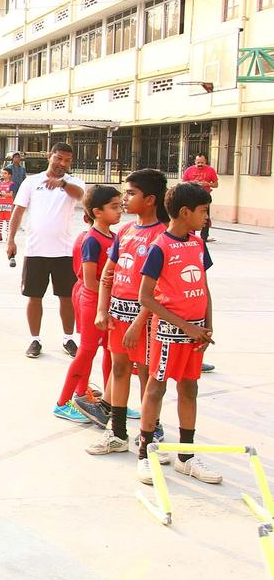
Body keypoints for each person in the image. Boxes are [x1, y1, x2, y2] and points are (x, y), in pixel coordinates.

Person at [135, 182, 220, 486]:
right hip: (169, 333)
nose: (206, 218)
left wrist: (207, 326)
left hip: (196, 334)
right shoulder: (160, 247)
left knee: (190, 390)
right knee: (156, 389)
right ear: (185, 212)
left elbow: (204, 287)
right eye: (203, 211)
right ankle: (145, 453)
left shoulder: (198, 244)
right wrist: (186, 326)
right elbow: (146, 297)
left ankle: (186, 456)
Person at [81, 169, 169, 455]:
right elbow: (108, 273)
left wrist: (139, 321)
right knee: (119, 369)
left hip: (145, 320)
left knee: (146, 374)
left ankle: (150, 432)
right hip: (118, 315)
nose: (125, 199)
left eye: (131, 193)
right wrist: (102, 309)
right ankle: (117, 433)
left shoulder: (163, 236)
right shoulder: (126, 232)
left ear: (151, 199)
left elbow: (158, 290)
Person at [5, 143, 85, 359]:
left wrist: (62, 183)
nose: (62, 164)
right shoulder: (31, 182)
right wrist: (10, 240)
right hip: (35, 251)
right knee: (34, 297)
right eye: (58, 158)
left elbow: (80, 196)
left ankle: (68, 338)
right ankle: (35, 340)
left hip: (65, 253)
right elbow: (18, 211)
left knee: (67, 298)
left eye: (67, 160)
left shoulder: (74, 183)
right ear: (49, 156)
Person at [52, 186, 121, 423]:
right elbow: (90, 281)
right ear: (97, 212)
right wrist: (104, 305)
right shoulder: (92, 239)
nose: (120, 210)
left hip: (105, 301)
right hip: (94, 301)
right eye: (114, 206)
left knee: (111, 352)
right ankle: (63, 402)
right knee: (87, 352)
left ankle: (109, 401)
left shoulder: (113, 237)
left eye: (120, 205)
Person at [182, 153, 219, 242]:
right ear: (195, 161)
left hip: (205, 197)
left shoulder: (211, 170)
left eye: (202, 162)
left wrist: (208, 184)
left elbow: (216, 184)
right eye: (198, 162)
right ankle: (191, 235)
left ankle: (204, 237)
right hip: (191, 196)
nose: (200, 164)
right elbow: (182, 183)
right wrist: (192, 183)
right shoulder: (189, 170)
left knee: (205, 217)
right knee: (191, 215)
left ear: (205, 162)